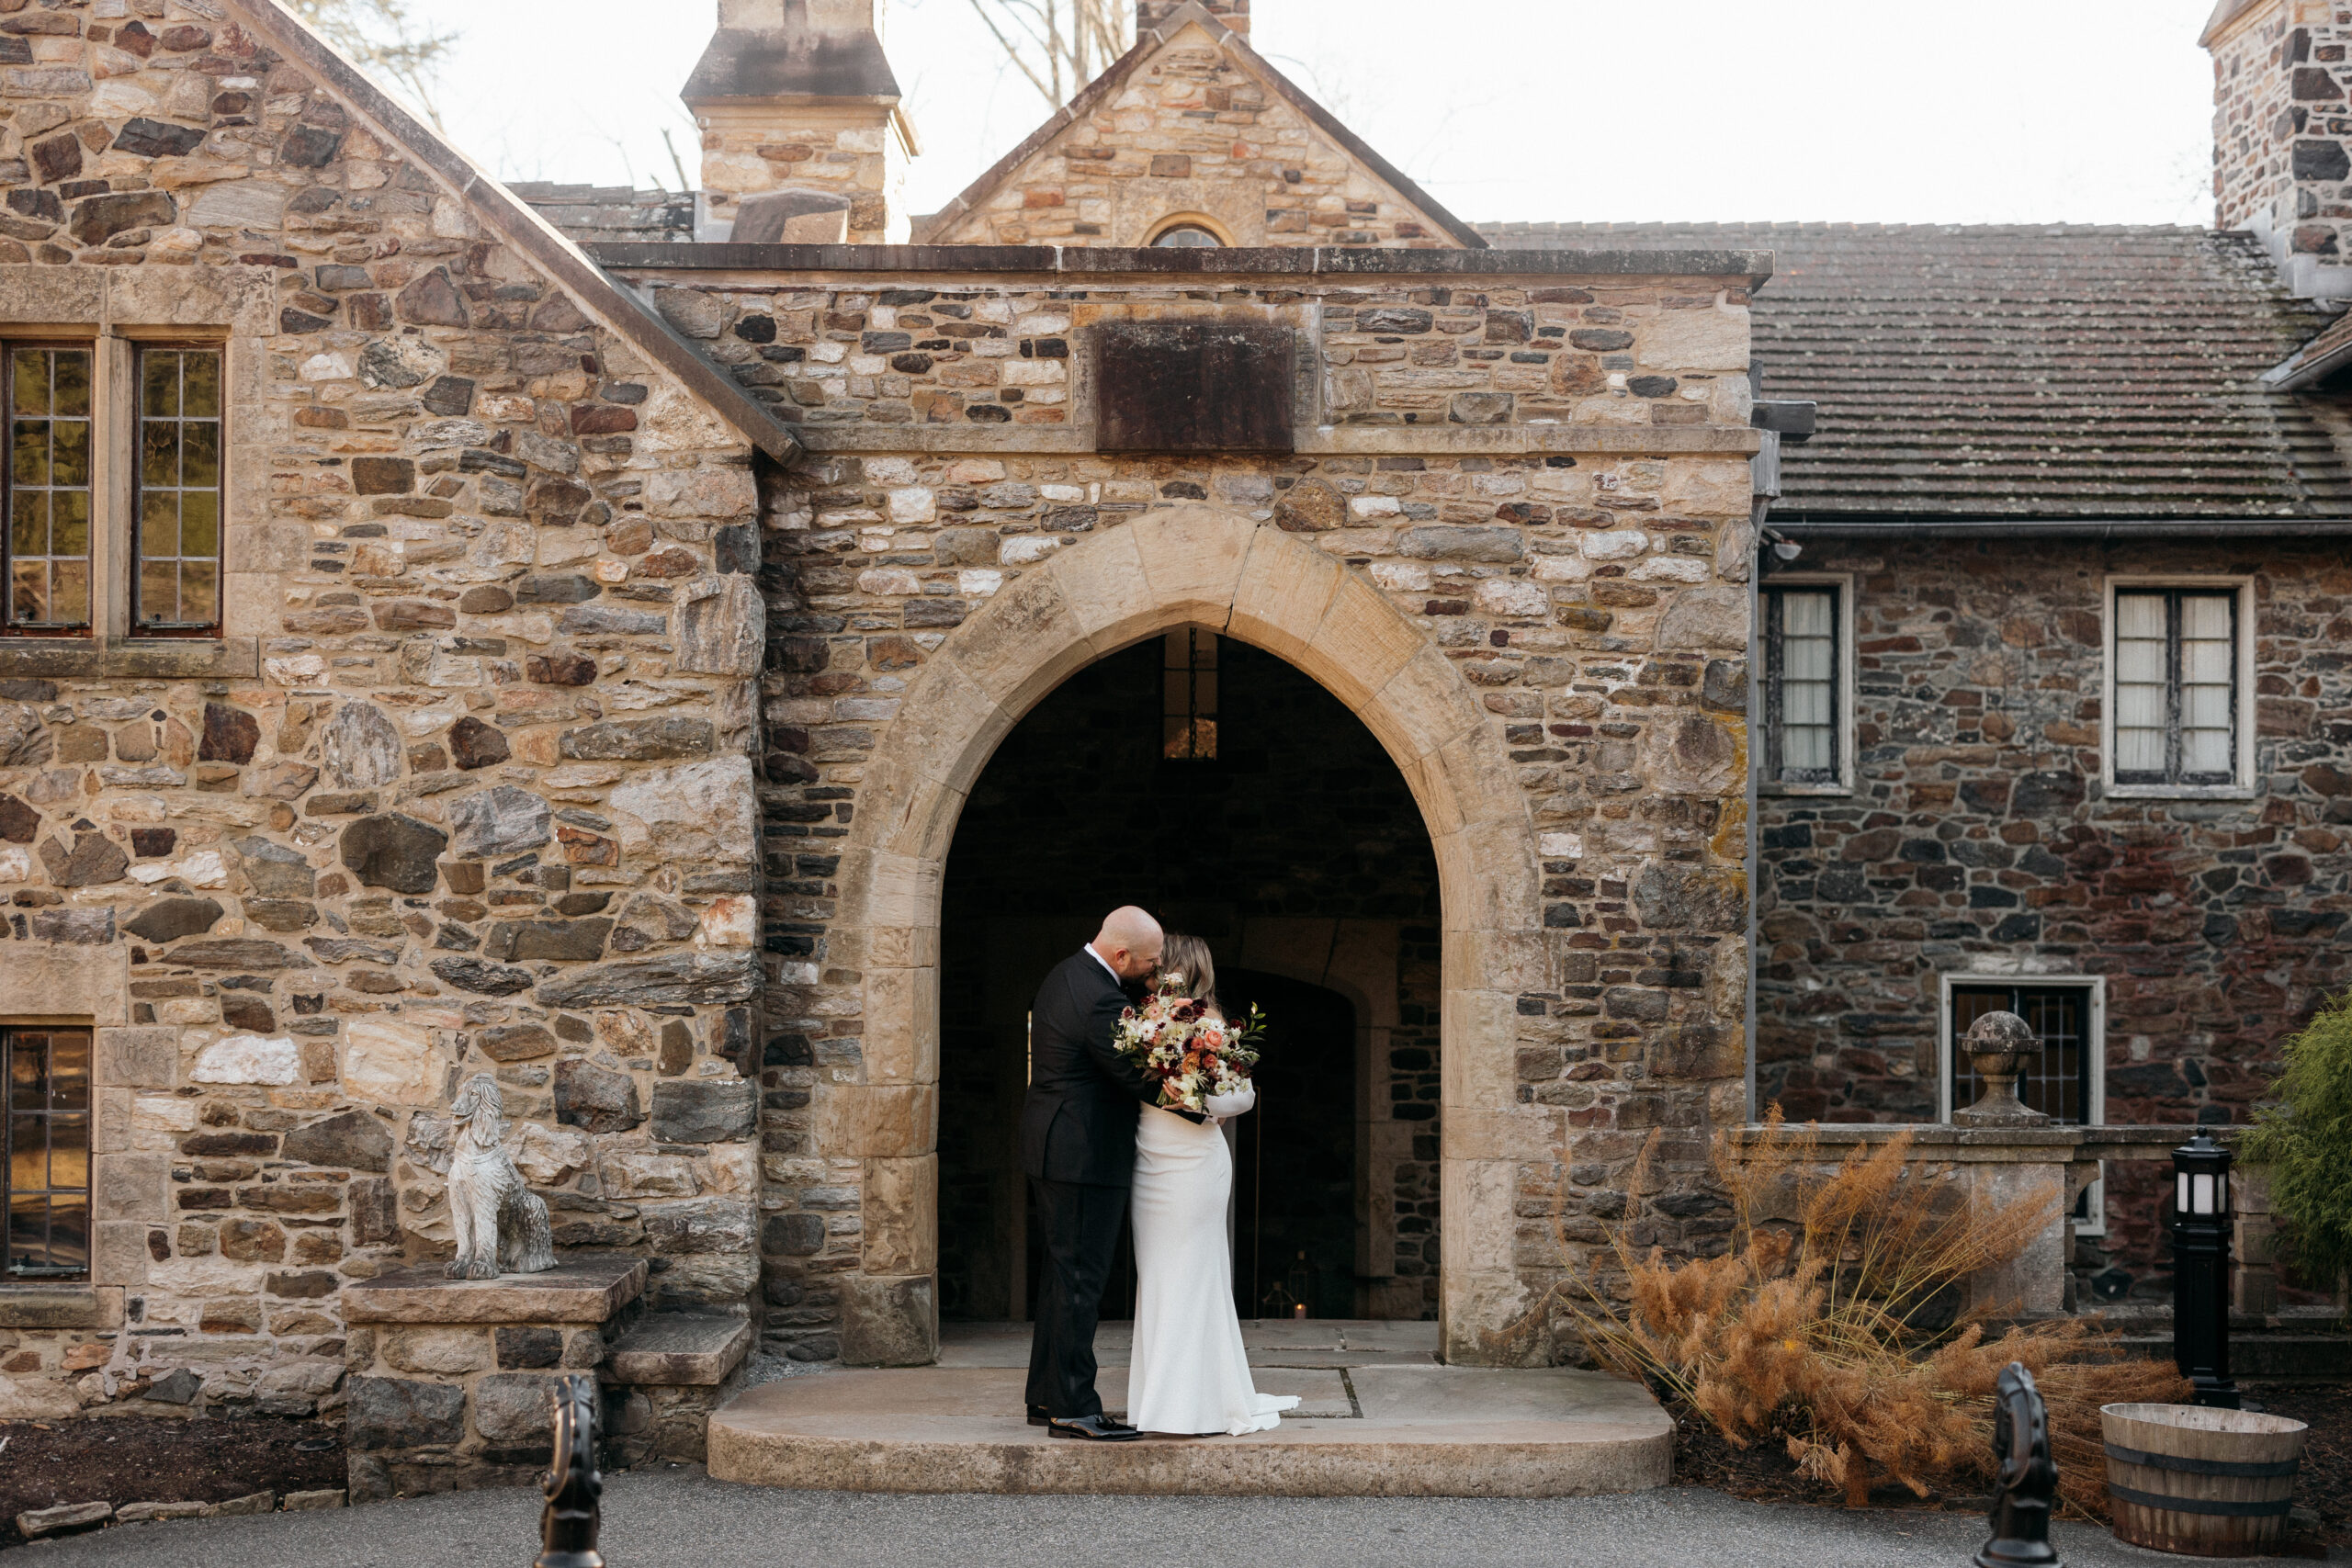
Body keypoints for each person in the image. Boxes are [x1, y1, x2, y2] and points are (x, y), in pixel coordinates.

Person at [1020, 905, 1187, 1441]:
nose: (1156, 970)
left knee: (1062, 1276)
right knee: (1080, 1283)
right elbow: (1135, 1074)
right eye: (1150, 961)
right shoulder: (1100, 998)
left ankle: (1047, 1395)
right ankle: (1074, 1407)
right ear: (1121, 955)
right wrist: (1201, 1098)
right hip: (1084, 1154)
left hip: (1057, 1146)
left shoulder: (1066, 973)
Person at [1125, 932, 1298, 1436]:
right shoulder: (1143, 1024)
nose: (1151, 971)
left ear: (1179, 969)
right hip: (1149, 1162)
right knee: (1158, 1277)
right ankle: (1159, 1400)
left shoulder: (1211, 1024)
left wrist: (1196, 1102)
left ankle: (1191, 1404)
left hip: (1194, 1165)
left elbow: (1240, 1097)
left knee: (1193, 1274)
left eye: (1159, 964)